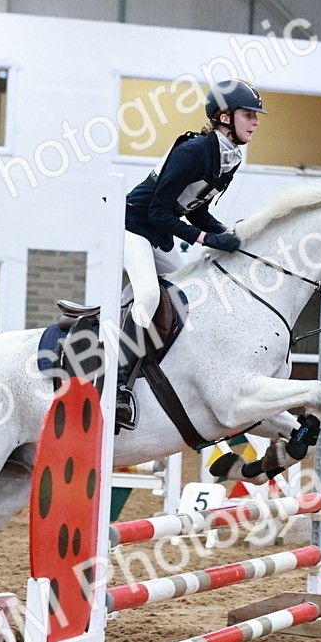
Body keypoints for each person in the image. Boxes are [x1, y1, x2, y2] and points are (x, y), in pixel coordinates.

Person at [117, 78, 266, 431]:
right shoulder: (194, 151)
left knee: (189, 295)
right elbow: (158, 212)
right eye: (249, 115)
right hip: (130, 227)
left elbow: (196, 210)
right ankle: (120, 385)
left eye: (256, 116)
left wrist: (229, 234)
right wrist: (207, 240)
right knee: (151, 294)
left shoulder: (229, 158)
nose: (256, 122)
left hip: (156, 233)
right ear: (225, 117)